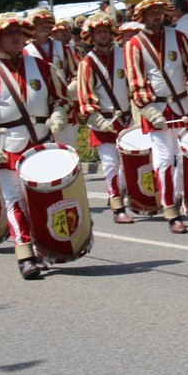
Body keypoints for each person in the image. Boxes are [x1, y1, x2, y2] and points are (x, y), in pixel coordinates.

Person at [0, 13, 70, 279]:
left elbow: (61, 98)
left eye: (18, 33)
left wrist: (58, 113)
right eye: (9, 34)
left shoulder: (42, 66)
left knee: (44, 197)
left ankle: (47, 246)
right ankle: (25, 254)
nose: (15, 38)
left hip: (42, 142)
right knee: (15, 199)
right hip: (6, 146)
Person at [123, 0, 188, 234]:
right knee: (164, 160)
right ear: (142, 17)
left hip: (182, 107)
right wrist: (150, 111)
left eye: (160, 12)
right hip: (156, 109)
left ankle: (185, 199)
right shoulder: (134, 44)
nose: (156, 16)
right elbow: (136, 81)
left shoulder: (178, 37)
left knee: (186, 158)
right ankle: (170, 209)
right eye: (151, 13)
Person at [76, 12, 134, 225]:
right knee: (110, 163)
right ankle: (117, 206)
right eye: (98, 32)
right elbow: (85, 95)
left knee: (129, 163)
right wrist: (98, 119)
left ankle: (137, 198)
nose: (102, 35)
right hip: (103, 120)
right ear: (91, 36)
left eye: (105, 31)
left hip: (126, 119)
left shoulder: (124, 55)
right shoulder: (87, 63)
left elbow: (134, 84)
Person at [24, 8, 80, 149]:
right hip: (39, 114)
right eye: (40, 23)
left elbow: (77, 72)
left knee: (68, 151)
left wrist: (73, 84)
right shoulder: (25, 52)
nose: (45, 26)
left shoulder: (62, 48)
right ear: (32, 27)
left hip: (64, 110)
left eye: (47, 22)